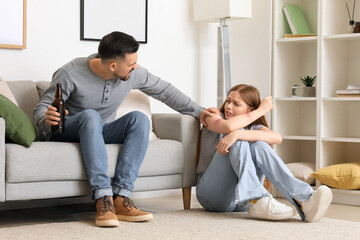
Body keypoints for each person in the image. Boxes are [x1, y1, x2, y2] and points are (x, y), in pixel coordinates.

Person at [33, 31, 213, 227]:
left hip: (100, 131)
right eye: (131, 64)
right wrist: (46, 118)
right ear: (113, 66)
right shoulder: (71, 73)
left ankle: (121, 197)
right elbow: (41, 109)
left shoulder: (132, 73)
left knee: (139, 119)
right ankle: (103, 198)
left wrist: (200, 112)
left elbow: (164, 91)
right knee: (90, 116)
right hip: (67, 132)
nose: (135, 67)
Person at [196, 84, 333, 222]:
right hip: (211, 196)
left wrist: (238, 134)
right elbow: (229, 127)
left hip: (241, 202)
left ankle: (305, 199)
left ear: (250, 109)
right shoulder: (213, 117)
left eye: (236, 104)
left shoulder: (254, 127)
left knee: (258, 144)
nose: (229, 106)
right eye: (228, 100)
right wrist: (261, 111)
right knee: (238, 137)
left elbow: (277, 138)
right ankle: (258, 197)